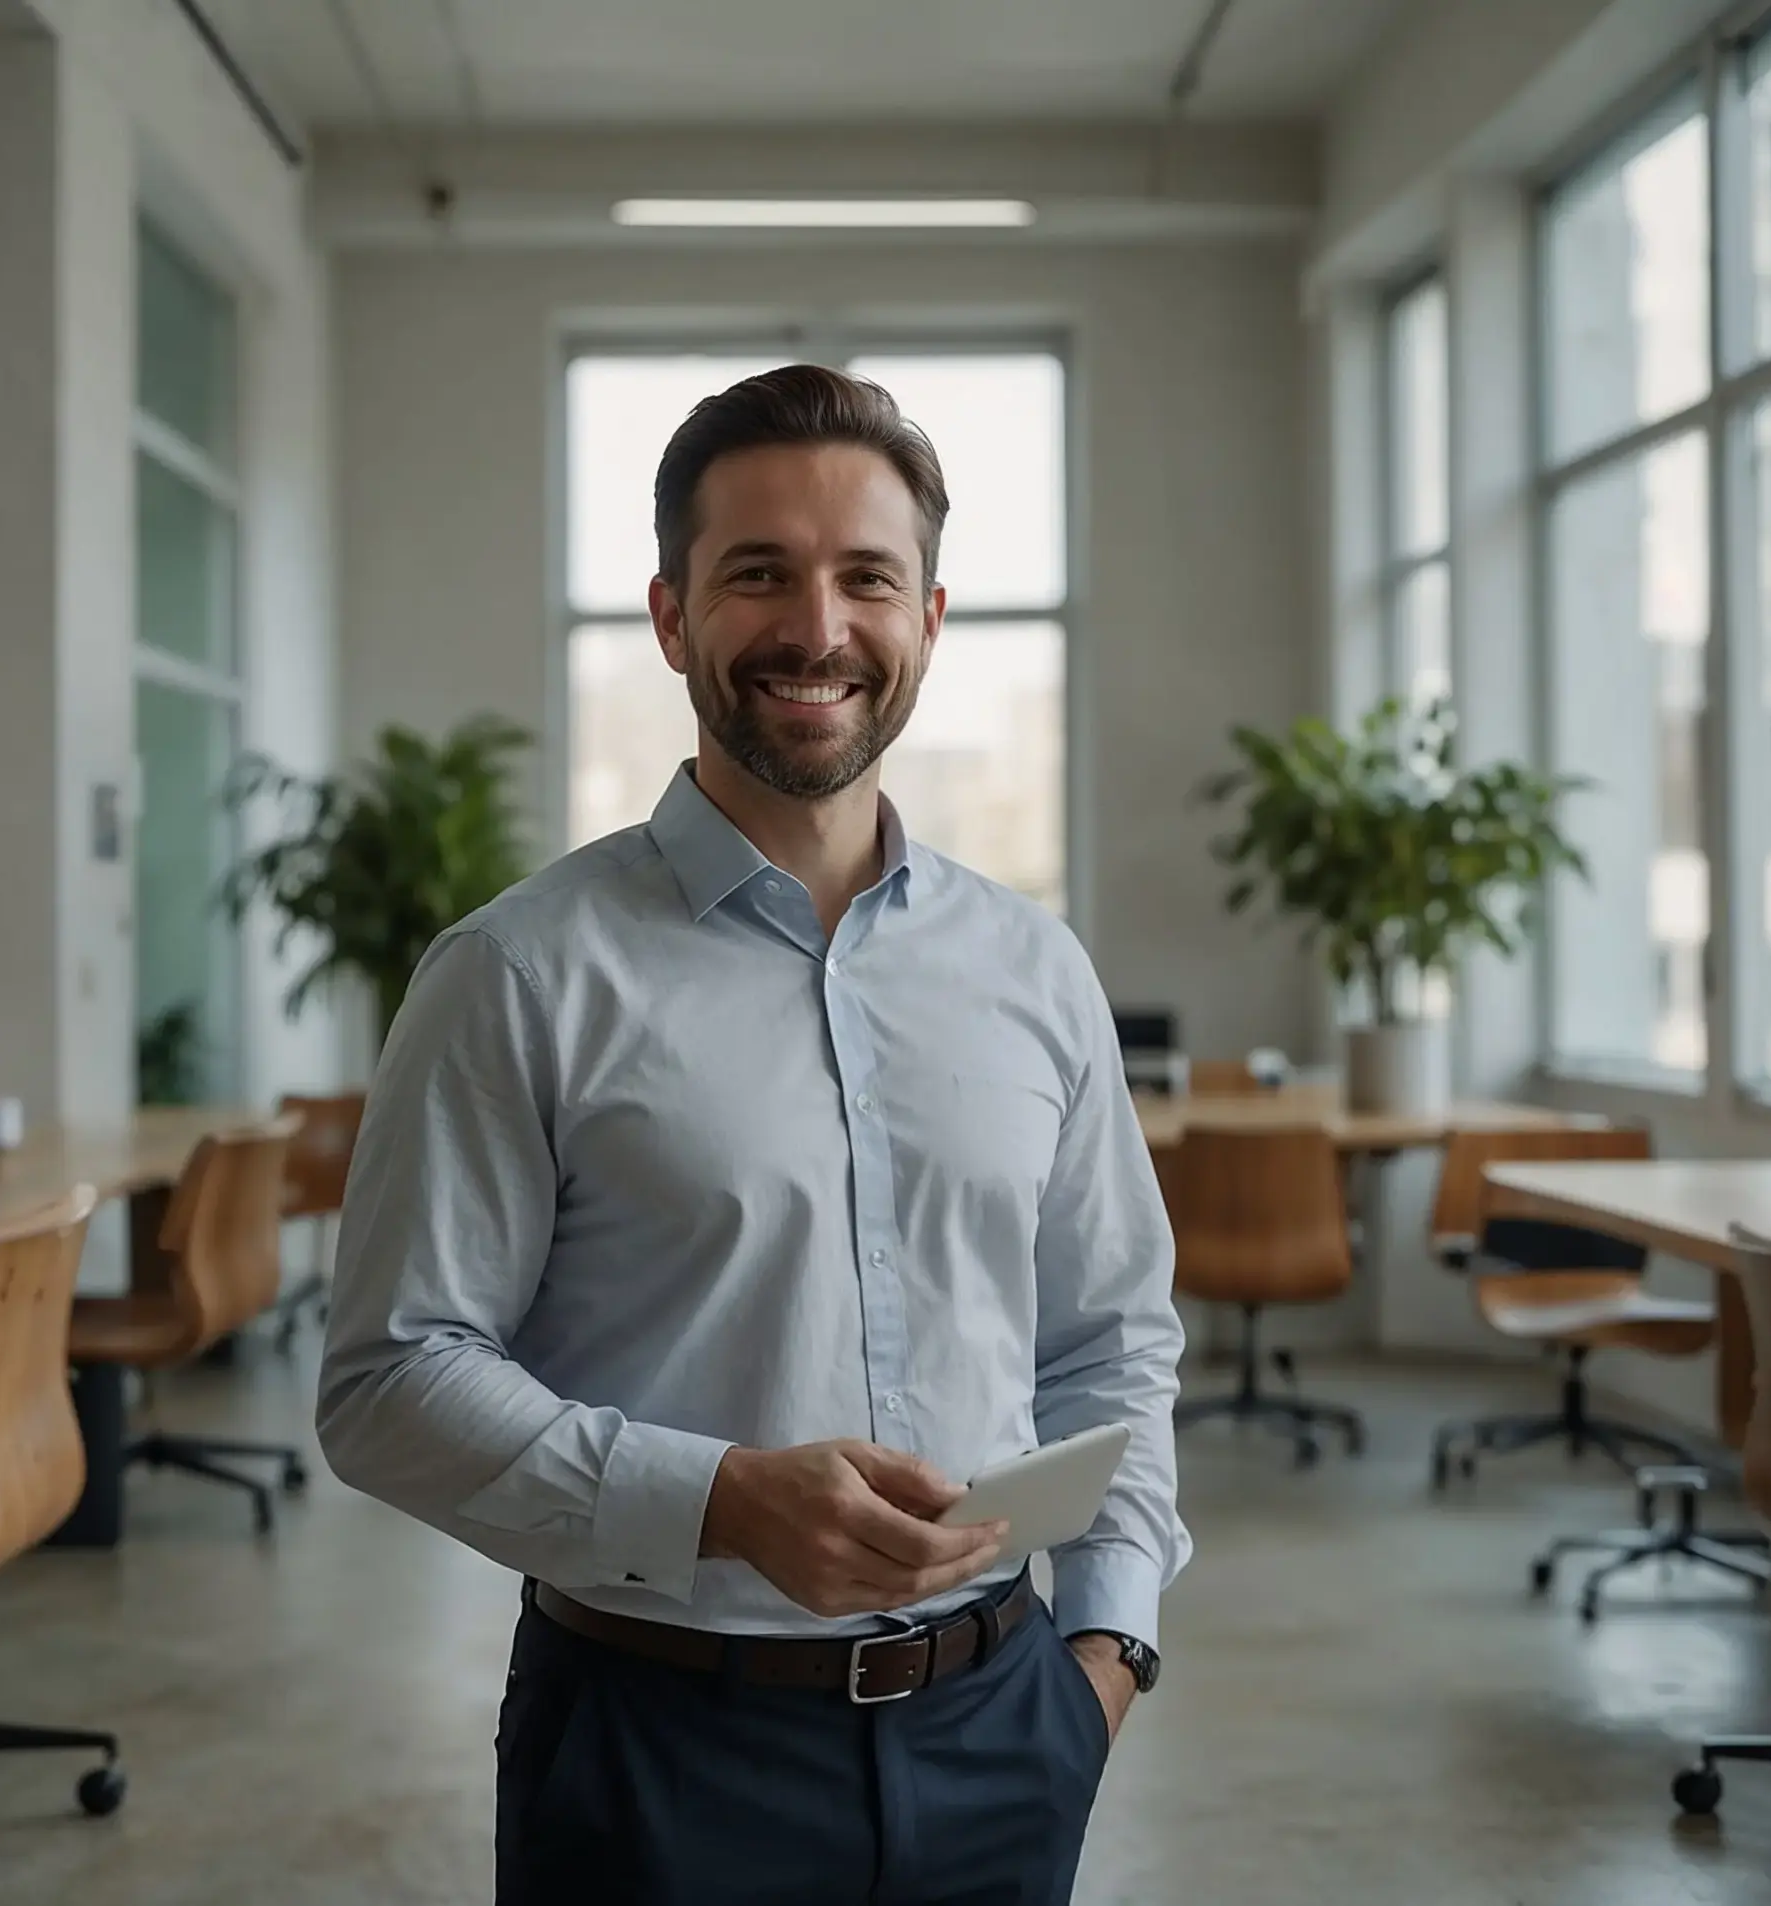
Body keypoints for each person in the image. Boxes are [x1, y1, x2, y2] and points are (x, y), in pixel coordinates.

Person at [318, 364, 1189, 1905]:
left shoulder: (1036, 970)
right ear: (672, 616)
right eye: (760, 573)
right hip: (660, 1748)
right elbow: (391, 1379)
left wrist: (1107, 1651)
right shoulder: (516, 973)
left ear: (931, 616)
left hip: (1006, 1731)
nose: (819, 627)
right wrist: (716, 1497)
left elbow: (1111, 1340)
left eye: (868, 576)